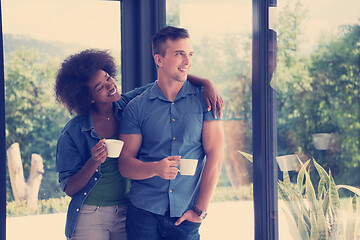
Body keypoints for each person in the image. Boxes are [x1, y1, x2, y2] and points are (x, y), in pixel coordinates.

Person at [54, 49, 223, 240]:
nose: (111, 86)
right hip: (90, 213)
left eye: (108, 78)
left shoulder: (130, 105)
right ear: (88, 97)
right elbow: (69, 188)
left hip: (128, 210)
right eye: (100, 87)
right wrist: (93, 161)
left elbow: (166, 79)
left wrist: (205, 83)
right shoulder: (73, 131)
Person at [118, 26, 224, 240]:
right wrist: (155, 168)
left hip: (186, 216)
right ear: (159, 60)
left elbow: (216, 155)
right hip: (143, 215)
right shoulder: (137, 108)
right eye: (179, 54)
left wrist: (199, 211)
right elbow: (125, 164)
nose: (187, 61)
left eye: (190, 54)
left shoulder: (206, 100)